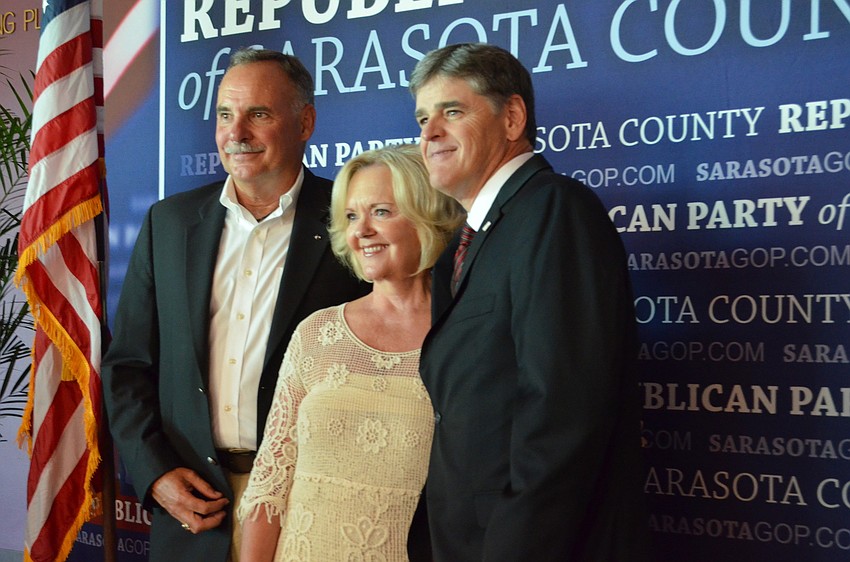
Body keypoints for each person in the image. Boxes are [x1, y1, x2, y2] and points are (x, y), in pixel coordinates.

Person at [102, 48, 369, 561]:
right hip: (194, 513)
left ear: (305, 121)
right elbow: (128, 367)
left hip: (310, 510)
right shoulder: (169, 224)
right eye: (225, 114)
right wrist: (154, 474)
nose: (236, 132)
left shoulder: (352, 223)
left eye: (259, 114)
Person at [409, 43, 649, 561]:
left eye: (451, 112)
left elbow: (563, 415)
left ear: (512, 117)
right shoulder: (466, 243)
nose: (428, 134)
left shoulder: (555, 211)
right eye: (423, 117)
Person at [237, 144, 465, 562]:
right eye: (351, 216)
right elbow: (270, 484)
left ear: (426, 214)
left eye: (381, 211)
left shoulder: (466, 338)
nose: (361, 231)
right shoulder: (316, 333)